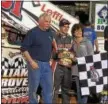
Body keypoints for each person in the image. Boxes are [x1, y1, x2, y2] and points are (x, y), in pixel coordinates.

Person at [21, 13, 56, 104]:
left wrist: (51, 58)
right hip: (35, 64)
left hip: (46, 64)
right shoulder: (32, 32)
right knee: (34, 89)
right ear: (40, 21)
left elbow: (51, 46)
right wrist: (31, 62)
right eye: (46, 21)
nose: (48, 23)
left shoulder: (50, 33)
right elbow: (24, 48)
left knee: (49, 88)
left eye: (49, 22)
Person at [70, 23, 94, 104]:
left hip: (85, 70)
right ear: (73, 32)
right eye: (76, 31)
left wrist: (77, 59)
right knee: (78, 91)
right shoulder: (72, 42)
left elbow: (91, 57)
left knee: (85, 91)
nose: (79, 32)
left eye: (80, 31)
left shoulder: (87, 42)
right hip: (75, 70)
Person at [52, 18, 73, 104]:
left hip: (68, 67)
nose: (66, 28)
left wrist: (73, 57)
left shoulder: (71, 38)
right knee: (54, 89)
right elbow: (51, 53)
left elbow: (73, 53)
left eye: (67, 27)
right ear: (60, 27)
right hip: (57, 66)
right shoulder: (54, 37)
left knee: (66, 90)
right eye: (64, 26)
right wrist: (57, 55)